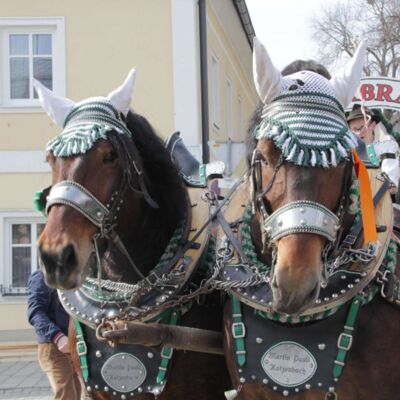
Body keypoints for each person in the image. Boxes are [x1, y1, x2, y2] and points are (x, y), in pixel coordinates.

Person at [27, 270, 82, 400]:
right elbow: (35, 312)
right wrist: (57, 337)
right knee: (67, 395)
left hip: (72, 345)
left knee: (76, 394)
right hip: (53, 346)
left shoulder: (70, 276)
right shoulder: (42, 276)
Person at [347, 105, 400, 193]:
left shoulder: (387, 146)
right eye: (355, 130)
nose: (359, 133)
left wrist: (369, 150)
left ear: (373, 125)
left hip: (379, 198)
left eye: (363, 127)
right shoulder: (346, 151)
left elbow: (391, 186)